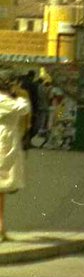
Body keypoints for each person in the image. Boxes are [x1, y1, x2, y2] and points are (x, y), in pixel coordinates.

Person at [0, 74, 31, 240]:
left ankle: (1, 228)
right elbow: (24, 108)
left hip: (6, 140)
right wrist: (19, 94)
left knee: (2, 189)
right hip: (4, 141)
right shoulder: (5, 100)